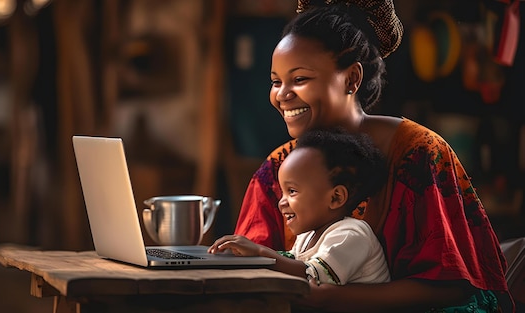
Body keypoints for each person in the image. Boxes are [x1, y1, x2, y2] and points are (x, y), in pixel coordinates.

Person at [232, 0, 514, 312]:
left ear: (351, 79)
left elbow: (452, 287)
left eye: (299, 79)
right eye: (275, 81)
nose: (282, 95)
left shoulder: (419, 154)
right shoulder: (277, 168)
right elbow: (250, 269)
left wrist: (330, 299)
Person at [209, 129, 391, 289]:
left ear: (336, 197)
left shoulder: (351, 235)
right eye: (282, 193)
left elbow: (312, 277)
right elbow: (291, 261)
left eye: (292, 191)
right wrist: (248, 253)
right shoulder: (308, 235)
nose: (282, 202)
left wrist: (259, 252)